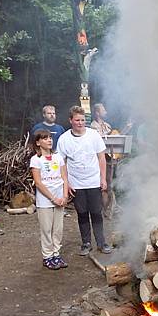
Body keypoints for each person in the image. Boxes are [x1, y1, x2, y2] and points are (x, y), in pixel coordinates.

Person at [57, 106, 112, 255]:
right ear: (70, 120)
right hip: (76, 183)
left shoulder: (93, 135)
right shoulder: (64, 139)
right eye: (77, 120)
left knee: (96, 212)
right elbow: (62, 163)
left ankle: (101, 242)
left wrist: (103, 178)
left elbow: (101, 158)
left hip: (93, 180)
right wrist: (67, 183)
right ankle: (86, 243)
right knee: (82, 213)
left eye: (82, 120)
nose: (80, 123)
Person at [30, 129, 69, 270]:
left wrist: (64, 196)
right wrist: (53, 198)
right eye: (45, 138)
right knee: (46, 229)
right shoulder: (36, 159)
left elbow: (64, 178)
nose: (49, 140)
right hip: (45, 200)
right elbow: (38, 182)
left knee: (58, 229)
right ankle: (47, 256)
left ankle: (56, 254)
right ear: (38, 142)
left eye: (50, 138)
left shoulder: (58, 157)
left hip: (60, 198)